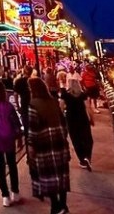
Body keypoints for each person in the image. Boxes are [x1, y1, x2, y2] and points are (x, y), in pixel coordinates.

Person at [27, 78, 70, 214]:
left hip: (44, 144)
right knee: (61, 174)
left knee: (48, 175)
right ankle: (63, 205)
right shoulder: (53, 102)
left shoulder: (33, 105)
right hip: (59, 142)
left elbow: (33, 129)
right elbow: (64, 122)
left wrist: (30, 145)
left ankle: (55, 206)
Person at [60, 78, 94, 171]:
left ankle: (82, 159)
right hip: (83, 118)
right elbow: (88, 107)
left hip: (71, 119)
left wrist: (62, 119)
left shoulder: (65, 95)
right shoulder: (83, 95)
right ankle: (87, 156)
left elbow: (61, 108)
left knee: (76, 139)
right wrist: (92, 119)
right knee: (87, 138)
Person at [13, 65, 32, 137]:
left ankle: (28, 137)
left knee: (26, 122)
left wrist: (17, 106)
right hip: (32, 104)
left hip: (24, 104)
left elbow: (15, 94)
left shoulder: (19, 81)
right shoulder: (34, 80)